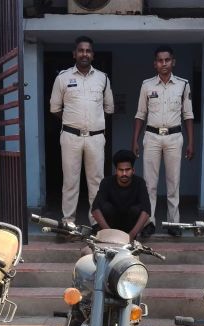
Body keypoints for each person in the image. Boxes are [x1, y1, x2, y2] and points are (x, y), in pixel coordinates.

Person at [49, 35, 114, 225]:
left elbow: (109, 108)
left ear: (93, 55)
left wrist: (93, 122)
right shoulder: (62, 78)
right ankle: (69, 222)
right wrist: (73, 121)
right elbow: (55, 109)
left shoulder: (103, 78)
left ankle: (95, 222)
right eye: (81, 50)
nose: (84, 54)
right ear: (74, 54)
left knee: (96, 182)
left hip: (95, 138)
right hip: (71, 137)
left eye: (88, 51)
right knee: (70, 182)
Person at [132, 45, 194, 238]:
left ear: (173, 62)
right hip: (152, 137)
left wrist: (191, 142)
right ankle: (148, 222)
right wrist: (135, 140)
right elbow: (140, 114)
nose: (164, 63)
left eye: (167, 60)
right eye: (160, 60)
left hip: (174, 137)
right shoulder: (147, 85)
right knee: (149, 184)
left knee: (173, 183)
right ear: (155, 64)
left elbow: (188, 115)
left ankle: (173, 223)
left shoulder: (183, 85)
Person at [91, 150, 150, 242]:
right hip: (111, 226)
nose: (124, 174)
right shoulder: (106, 182)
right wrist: (109, 233)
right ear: (116, 171)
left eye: (127, 170)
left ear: (133, 170)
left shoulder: (139, 182)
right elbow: (95, 209)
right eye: (121, 170)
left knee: (136, 209)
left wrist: (131, 235)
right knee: (106, 207)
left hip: (131, 227)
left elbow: (146, 211)